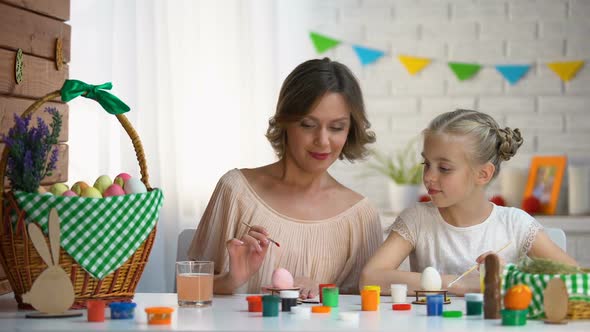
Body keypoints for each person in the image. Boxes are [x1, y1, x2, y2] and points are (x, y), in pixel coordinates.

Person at [188, 58, 382, 298]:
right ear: (285, 122)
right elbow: (186, 292)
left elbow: (368, 311)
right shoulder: (236, 190)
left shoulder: (361, 217)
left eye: (336, 127)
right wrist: (231, 280)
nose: (322, 141)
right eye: (308, 124)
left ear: (350, 130)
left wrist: (324, 291)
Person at [360, 109, 577, 295]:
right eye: (426, 163)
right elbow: (370, 278)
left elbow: (576, 281)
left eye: (444, 168)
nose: (428, 177)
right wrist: (460, 284)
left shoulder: (516, 224)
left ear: (483, 174)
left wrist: (509, 278)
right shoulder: (417, 220)